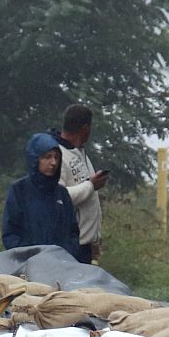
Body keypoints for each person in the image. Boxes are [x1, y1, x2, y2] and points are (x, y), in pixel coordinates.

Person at [1, 132, 82, 257]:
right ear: (35, 159)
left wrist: (66, 255)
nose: (53, 162)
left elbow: (73, 233)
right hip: (27, 265)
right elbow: (10, 234)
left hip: (61, 265)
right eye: (47, 157)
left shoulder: (62, 193)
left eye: (56, 157)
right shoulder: (19, 190)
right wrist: (30, 256)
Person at [55, 103, 108, 263]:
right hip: (70, 247)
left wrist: (94, 239)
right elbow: (58, 197)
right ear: (86, 128)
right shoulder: (57, 155)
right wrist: (91, 185)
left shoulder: (80, 153)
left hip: (86, 246)